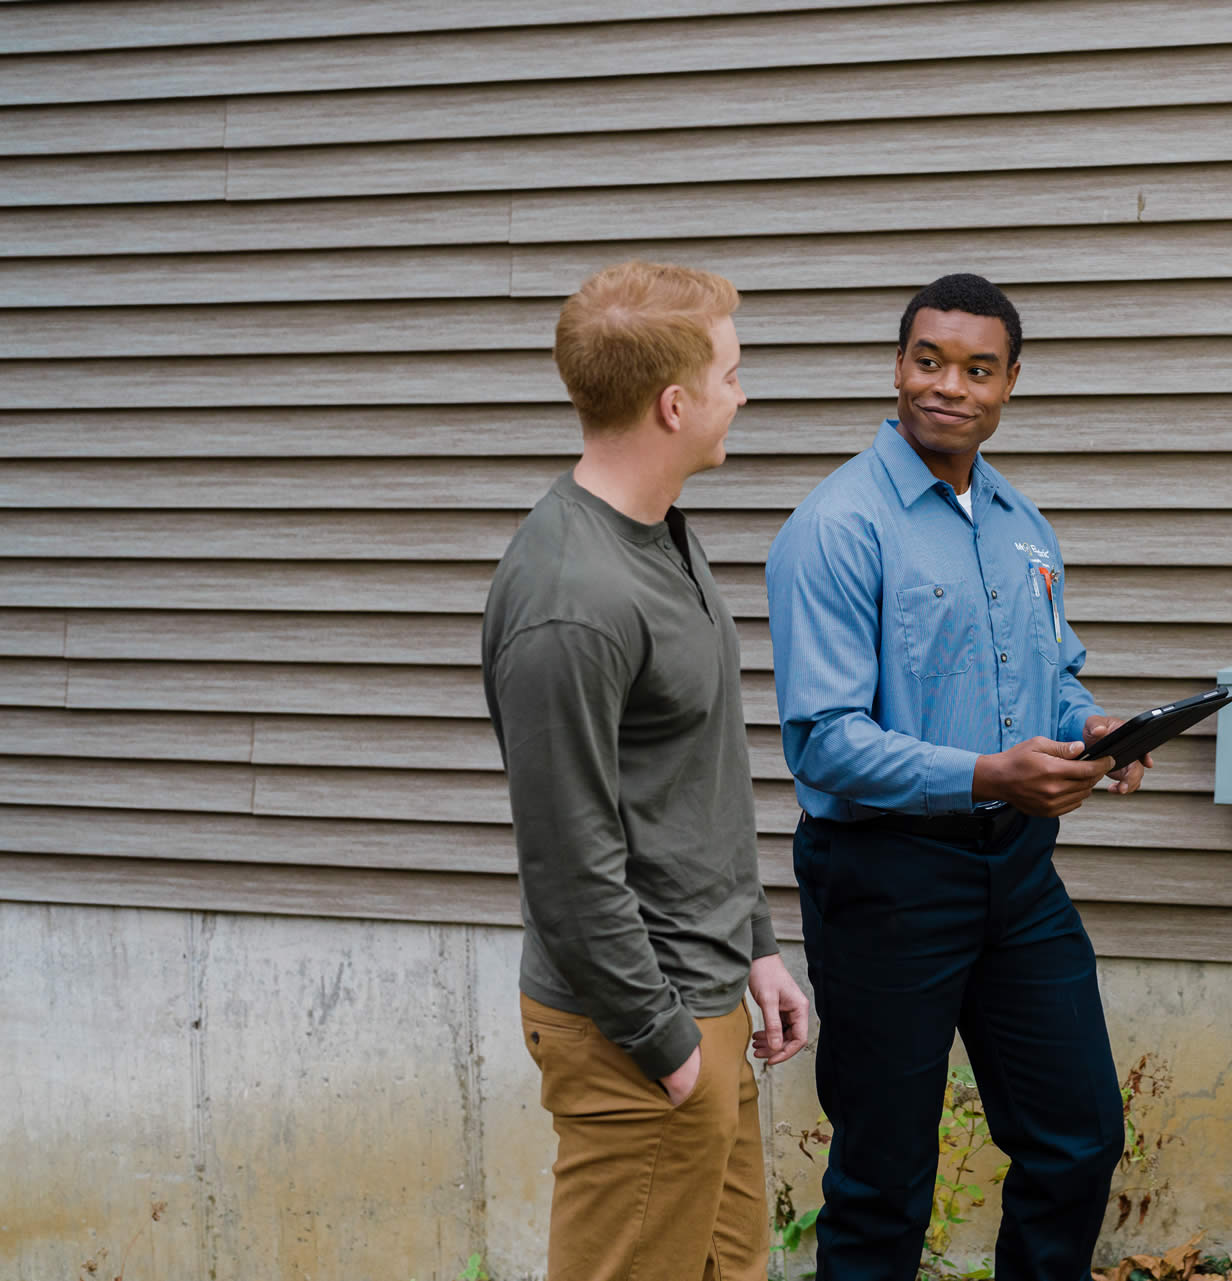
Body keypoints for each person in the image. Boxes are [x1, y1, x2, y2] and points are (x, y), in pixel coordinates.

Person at [765, 273, 1150, 1281]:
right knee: (883, 1179)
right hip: (885, 880)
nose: (950, 387)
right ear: (899, 367)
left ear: (1011, 382)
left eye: (978, 369)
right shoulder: (837, 526)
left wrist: (1096, 730)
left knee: (1079, 1138)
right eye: (929, 361)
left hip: (1017, 876)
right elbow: (825, 743)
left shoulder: (1023, 524)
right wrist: (987, 773)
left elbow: (1050, 681)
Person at [482, 260, 809, 1281]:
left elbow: (688, 781)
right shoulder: (570, 602)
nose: (741, 396)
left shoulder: (659, 533)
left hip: (705, 992)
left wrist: (754, 944)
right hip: (638, 1027)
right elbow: (569, 862)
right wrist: (666, 1045)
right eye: (730, 375)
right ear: (675, 405)